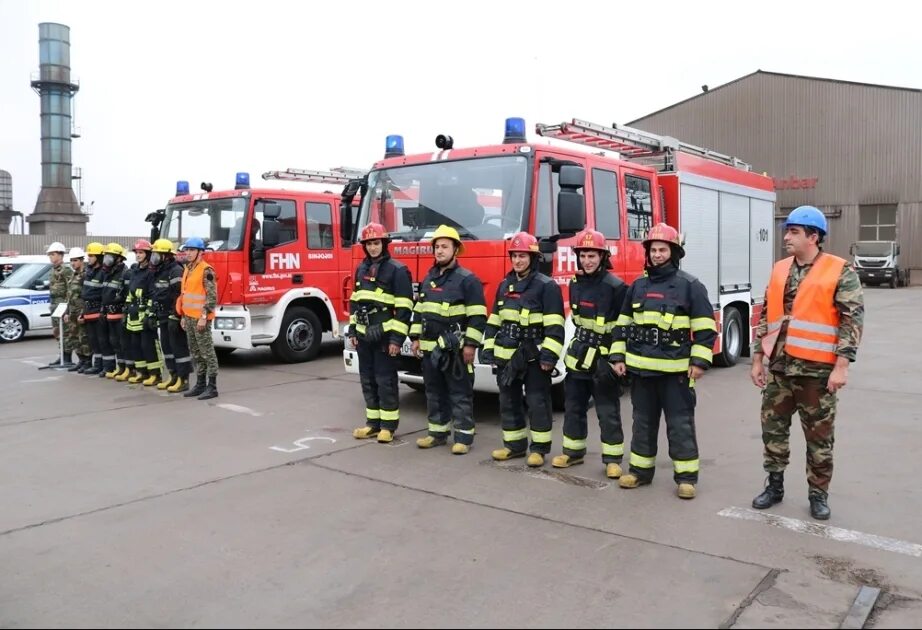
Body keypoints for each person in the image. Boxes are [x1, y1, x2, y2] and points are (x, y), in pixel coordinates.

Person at [750, 206, 864, 520]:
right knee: (773, 432)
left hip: (816, 371)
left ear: (813, 236)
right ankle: (774, 486)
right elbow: (765, 316)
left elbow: (851, 320)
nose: (786, 237)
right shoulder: (779, 268)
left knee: (819, 438)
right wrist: (757, 358)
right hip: (779, 369)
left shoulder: (840, 270)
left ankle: (818, 494)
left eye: (793, 232)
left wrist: (842, 366)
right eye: (787, 231)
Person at [611, 223, 716, 499]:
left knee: (679, 424)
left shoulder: (690, 286)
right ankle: (639, 472)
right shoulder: (637, 286)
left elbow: (706, 329)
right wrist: (617, 356)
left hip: (676, 373)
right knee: (642, 423)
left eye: (662, 249)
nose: (657, 254)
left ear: (674, 252)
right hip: (642, 372)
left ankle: (686, 478)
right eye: (653, 250)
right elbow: (622, 325)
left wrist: (699, 363)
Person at [482, 232, 565, 467]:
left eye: (523, 256)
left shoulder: (546, 287)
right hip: (507, 357)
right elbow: (494, 320)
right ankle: (514, 446)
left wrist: (548, 357)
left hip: (534, 358)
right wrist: (488, 349)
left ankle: (538, 449)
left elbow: (555, 326)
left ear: (533, 257)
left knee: (538, 403)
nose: (518, 261)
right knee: (508, 401)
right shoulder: (504, 285)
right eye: (515, 256)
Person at [550, 229, 628, 478]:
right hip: (578, 356)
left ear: (602, 257)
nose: (587, 260)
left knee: (607, 411)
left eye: (592, 255)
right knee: (573, 406)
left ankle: (613, 460)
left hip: (603, 360)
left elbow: (622, 327)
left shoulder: (616, 288)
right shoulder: (575, 284)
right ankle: (573, 453)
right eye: (583, 255)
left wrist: (616, 359)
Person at [410, 225, 487, 454]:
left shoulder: (468, 280)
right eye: (437, 247)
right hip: (431, 351)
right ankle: (437, 434)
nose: (440, 251)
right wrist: (415, 338)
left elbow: (478, 315)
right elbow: (419, 310)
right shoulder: (429, 277)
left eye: (445, 246)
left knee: (460, 394)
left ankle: (463, 438)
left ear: (456, 250)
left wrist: (470, 346)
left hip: (455, 351)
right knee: (433, 393)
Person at [349, 223, 414, 443]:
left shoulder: (397, 270)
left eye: (376, 243)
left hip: (385, 337)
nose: (373, 248)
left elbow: (405, 309)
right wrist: (352, 331)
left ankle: (388, 427)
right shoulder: (361, 268)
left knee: (385, 381)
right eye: (369, 244)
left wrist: (396, 339)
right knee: (368, 380)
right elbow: (355, 302)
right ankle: (372, 424)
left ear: (384, 244)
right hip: (364, 336)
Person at [177, 237, 219, 400]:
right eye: (187, 250)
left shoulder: (206, 270)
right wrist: (183, 316)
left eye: (192, 250)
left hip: (201, 318)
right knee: (196, 353)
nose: (188, 253)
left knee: (207, 353)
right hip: (188, 317)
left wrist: (203, 317)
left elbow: (211, 297)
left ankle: (212, 386)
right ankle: (200, 384)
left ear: (200, 252)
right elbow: (186, 294)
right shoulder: (188, 268)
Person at [149, 238, 192, 393]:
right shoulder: (159, 271)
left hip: (173, 315)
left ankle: (183, 379)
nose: (153, 256)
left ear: (166, 255)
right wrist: (153, 312)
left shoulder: (175, 270)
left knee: (178, 348)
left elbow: (179, 295)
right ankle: (173, 376)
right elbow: (156, 294)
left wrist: (176, 315)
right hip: (162, 314)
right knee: (166, 347)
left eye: (157, 253)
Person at [121, 239, 162, 386]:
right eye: (137, 252)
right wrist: (126, 309)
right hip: (133, 314)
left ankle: (154, 374)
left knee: (148, 345)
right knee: (135, 345)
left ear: (148, 254)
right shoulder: (135, 271)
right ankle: (141, 372)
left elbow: (153, 294)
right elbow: (130, 292)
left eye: (141, 252)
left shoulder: (151, 272)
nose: (138, 255)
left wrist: (150, 313)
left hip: (144, 313)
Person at [100, 243, 130, 379]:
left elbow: (127, 295)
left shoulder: (125, 273)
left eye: (109, 256)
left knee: (124, 343)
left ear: (118, 258)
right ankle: (121, 367)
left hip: (120, 313)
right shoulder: (107, 273)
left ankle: (129, 369)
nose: (106, 259)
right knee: (115, 342)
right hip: (110, 314)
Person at [63, 247, 93, 373]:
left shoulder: (86, 274)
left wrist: (83, 313)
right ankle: (80, 360)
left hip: (81, 311)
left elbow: (87, 295)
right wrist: (66, 312)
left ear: (82, 260)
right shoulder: (73, 275)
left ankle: (87, 361)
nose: (73, 263)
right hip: (72, 312)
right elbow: (69, 295)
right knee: (74, 337)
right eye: (71, 261)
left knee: (84, 338)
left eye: (75, 260)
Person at [45, 241, 74, 367]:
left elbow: (70, 289)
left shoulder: (66, 270)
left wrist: (67, 307)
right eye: (50, 255)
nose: (51, 257)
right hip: (54, 304)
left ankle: (67, 358)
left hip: (62, 304)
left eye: (53, 254)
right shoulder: (53, 270)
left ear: (60, 255)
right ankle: (62, 355)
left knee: (65, 332)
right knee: (57, 331)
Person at [80, 242, 106, 375]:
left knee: (102, 340)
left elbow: (103, 294)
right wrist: (82, 312)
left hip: (98, 311)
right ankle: (97, 365)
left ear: (98, 257)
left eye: (92, 255)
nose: (89, 258)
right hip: (88, 311)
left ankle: (103, 366)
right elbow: (84, 293)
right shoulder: (88, 271)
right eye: (88, 255)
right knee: (93, 340)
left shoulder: (103, 272)